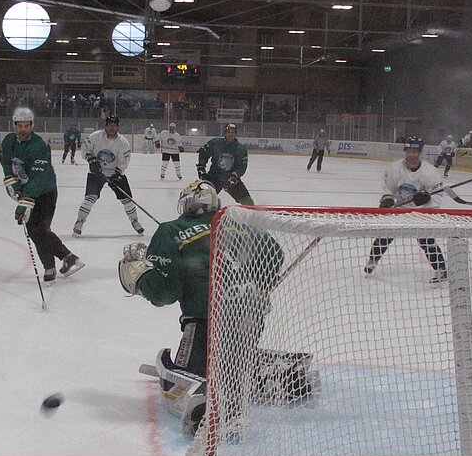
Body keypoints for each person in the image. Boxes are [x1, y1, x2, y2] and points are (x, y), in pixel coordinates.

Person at [118, 181, 310, 435]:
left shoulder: (171, 230)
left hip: (205, 320)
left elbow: (164, 293)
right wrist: (253, 285)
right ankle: (279, 377)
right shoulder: (238, 223)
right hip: (250, 317)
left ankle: (211, 406)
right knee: (232, 362)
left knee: (189, 375)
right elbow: (274, 255)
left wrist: (140, 277)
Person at [0, 107, 83, 283]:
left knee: (37, 229)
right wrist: (10, 181)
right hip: (28, 190)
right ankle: (68, 258)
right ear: (14, 125)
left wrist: (25, 201)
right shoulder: (8, 141)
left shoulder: (39, 146)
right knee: (38, 230)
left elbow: (38, 178)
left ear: (32, 125)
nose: (23, 129)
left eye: (26, 126)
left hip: (45, 192)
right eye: (19, 126)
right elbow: (6, 162)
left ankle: (50, 266)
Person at [363, 136, 447, 283]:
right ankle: (372, 261)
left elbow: (436, 198)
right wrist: (387, 199)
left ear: (420, 152)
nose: (411, 154)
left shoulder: (430, 172)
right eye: (408, 151)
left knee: (426, 240)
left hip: (421, 212)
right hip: (399, 209)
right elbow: (388, 188)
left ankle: (441, 270)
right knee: (384, 236)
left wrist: (426, 200)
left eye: (414, 151)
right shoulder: (395, 168)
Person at [72, 115, 143, 237]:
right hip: (96, 172)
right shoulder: (95, 137)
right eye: (109, 124)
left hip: (114, 172)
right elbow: (85, 148)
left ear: (117, 127)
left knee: (127, 199)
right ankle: (79, 222)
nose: (112, 127)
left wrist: (117, 173)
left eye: (114, 125)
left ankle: (135, 221)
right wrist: (91, 159)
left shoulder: (123, 142)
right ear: (105, 126)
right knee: (90, 198)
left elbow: (124, 161)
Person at [196, 123, 255, 205]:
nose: (230, 134)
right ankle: (201, 215)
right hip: (214, 177)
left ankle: (252, 215)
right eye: (228, 131)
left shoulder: (241, 149)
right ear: (225, 133)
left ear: (236, 134)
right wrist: (201, 167)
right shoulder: (215, 143)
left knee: (247, 201)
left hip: (230, 179)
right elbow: (203, 153)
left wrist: (235, 176)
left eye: (233, 132)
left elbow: (242, 166)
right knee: (203, 200)